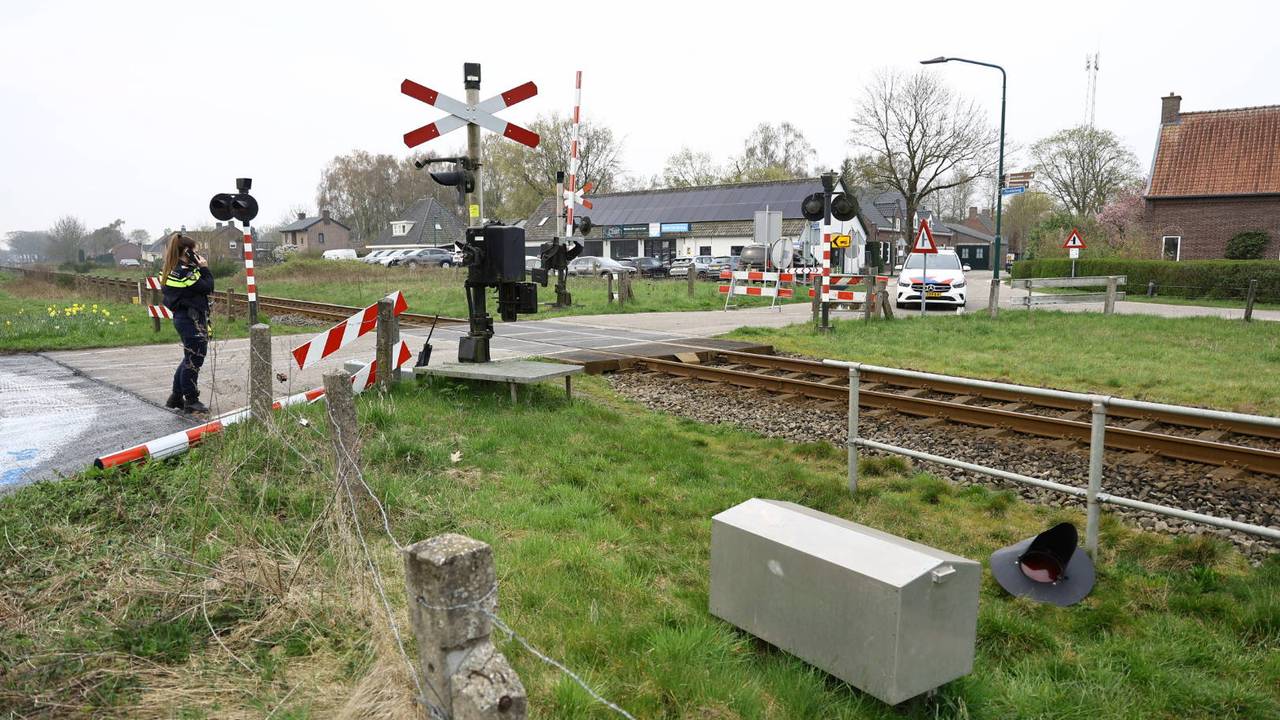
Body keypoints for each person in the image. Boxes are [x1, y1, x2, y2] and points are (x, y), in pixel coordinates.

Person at [161, 233, 213, 414]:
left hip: (186, 319)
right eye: (194, 251)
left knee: (189, 357)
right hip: (190, 320)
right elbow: (208, 287)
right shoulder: (184, 273)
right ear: (187, 251)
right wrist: (204, 268)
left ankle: (176, 396)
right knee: (194, 359)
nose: (198, 253)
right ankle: (191, 400)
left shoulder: (174, 270)